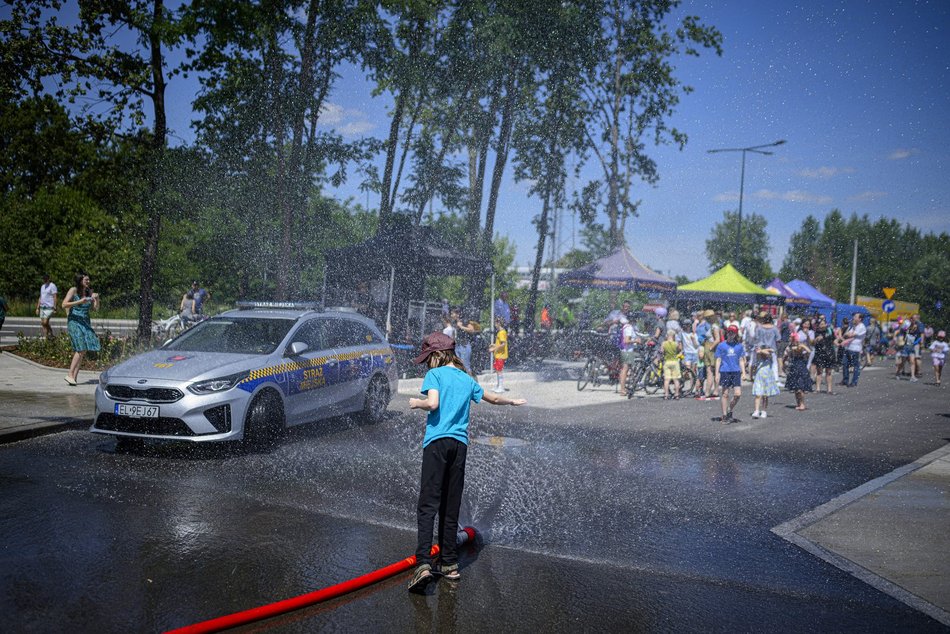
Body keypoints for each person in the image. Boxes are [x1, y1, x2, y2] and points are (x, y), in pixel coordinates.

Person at [407, 332, 525, 592]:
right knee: (451, 505)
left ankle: (423, 564)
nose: (427, 364)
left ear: (437, 355)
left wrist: (418, 403)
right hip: (459, 446)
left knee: (427, 505)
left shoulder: (435, 375)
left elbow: (434, 403)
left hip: (437, 444)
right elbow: (492, 398)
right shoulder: (465, 378)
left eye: (428, 358)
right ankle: (450, 564)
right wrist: (512, 401)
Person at [62, 272, 100, 386]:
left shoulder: (90, 292)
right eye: (86, 280)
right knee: (80, 348)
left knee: (83, 351)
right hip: (74, 321)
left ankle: (74, 377)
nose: (88, 282)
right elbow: (64, 304)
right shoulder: (73, 290)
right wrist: (80, 301)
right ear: (80, 281)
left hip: (85, 322)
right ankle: (69, 374)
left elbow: (95, 309)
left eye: (89, 280)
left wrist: (97, 299)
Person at [714, 325, 745, 423]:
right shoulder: (721, 345)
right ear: (727, 333)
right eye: (729, 332)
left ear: (736, 334)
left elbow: (741, 360)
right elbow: (718, 360)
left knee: (738, 394)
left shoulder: (739, 346)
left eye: (733, 332)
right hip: (725, 371)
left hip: (735, 371)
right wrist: (717, 373)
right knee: (725, 394)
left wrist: (743, 372)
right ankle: (724, 415)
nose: (730, 334)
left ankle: (729, 409)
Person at [784, 330, 813, 411]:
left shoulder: (801, 346)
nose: (791, 340)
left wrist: (801, 347)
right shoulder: (789, 347)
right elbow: (786, 356)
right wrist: (784, 364)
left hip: (801, 368)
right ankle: (798, 403)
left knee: (800, 388)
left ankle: (802, 404)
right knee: (796, 389)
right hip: (793, 368)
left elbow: (809, 351)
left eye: (792, 338)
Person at [811, 316, 837, 394]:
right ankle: (818, 389)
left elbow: (834, 340)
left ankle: (829, 389)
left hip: (829, 353)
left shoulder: (830, 331)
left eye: (823, 324)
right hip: (819, 353)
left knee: (829, 372)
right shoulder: (816, 332)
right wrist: (816, 339)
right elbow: (813, 343)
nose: (822, 325)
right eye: (820, 324)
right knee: (819, 372)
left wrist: (840, 343)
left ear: (826, 324)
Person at [751, 347, 780, 418]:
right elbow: (757, 354)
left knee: (765, 396)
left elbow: (771, 351)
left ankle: (764, 411)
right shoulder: (758, 357)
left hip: (767, 378)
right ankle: (756, 410)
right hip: (759, 378)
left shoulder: (769, 357)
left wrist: (762, 350)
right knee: (758, 395)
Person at [840, 312, 867, 388]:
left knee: (856, 366)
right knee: (845, 364)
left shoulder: (861, 327)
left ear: (860, 319)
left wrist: (848, 334)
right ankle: (845, 380)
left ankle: (854, 382)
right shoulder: (854, 326)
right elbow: (845, 334)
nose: (853, 318)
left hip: (855, 349)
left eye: (855, 317)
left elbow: (850, 335)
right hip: (848, 348)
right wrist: (847, 334)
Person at [488, 316, 508, 393]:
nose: (495, 324)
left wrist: (494, 349)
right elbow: (500, 343)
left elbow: (503, 344)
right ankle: (498, 385)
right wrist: (494, 344)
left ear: (499, 323)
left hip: (501, 355)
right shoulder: (500, 332)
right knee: (497, 369)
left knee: (499, 370)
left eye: (496, 323)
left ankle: (501, 387)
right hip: (498, 354)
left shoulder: (502, 332)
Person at [617, 316, 636, 397]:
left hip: (624, 350)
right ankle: (622, 390)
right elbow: (626, 340)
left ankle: (623, 388)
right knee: (625, 370)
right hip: (627, 351)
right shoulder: (629, 328)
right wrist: (636, 341)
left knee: (624, 370)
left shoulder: (625, 326)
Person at [661, 330, 682, 400]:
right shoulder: (675, 344)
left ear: (667, 336)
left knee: (666, 380)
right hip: (675, 362)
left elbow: (662, 351)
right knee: (676, 380)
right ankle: (676, 394)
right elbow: (679, 350)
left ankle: (666, 395)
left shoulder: (664, 343)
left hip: (667, 362)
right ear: (673, 336)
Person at [36, 274, 59, 338]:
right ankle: (46, 337)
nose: (44, 280)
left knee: (45, 322)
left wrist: (55, 307)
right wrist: (37, 308)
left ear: (49, 279)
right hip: (42, 307)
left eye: (46, 279)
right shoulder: (42, 286)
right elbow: (40, 297)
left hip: (49, 307)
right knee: (43, 324)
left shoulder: (52, 286)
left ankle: (50, 332)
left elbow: (55, 297)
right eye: (43, 279)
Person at [681, 321, 700, 396]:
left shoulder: (694, 334)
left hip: (694, 353)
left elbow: (696, 345)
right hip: (687, 353)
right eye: (686, 325)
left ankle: (692, 388)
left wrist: (693, 340)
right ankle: (683, 385)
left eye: (689, 325)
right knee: (687, 370)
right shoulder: (682, 333)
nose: (687, 327)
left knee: (693, 372)